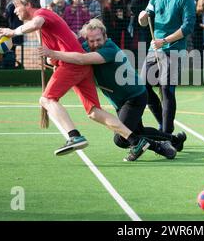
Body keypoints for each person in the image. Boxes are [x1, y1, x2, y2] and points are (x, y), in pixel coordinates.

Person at [0, 0, 152, 161]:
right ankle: (135, 140)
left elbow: (36, 23)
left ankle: (74, 136)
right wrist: (53, 59)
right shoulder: (45, 22)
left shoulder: (41, 14)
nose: (14, 11)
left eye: (17, 7)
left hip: (72, 65)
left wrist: (12, 32)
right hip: (78, 66)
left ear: (27, 4)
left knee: (46, 99)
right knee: (94, 112)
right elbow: (69, 37)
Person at [38, 18, 188, 159]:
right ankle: (175, 140)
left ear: (105, 36)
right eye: (92, 41)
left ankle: (160, 147)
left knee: (121, 139)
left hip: (134, 97)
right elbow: (73, 55)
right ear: (86, 40)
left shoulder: (109, 49)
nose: (96, 44)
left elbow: (81, 59)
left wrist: (52, 53)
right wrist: (54, 62)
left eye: (98, 40)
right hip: (120, 100)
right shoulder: (86, 47)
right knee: (138, 131)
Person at [138, 0, 196, 134]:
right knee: (143, 87)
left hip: (174, 51)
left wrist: (164, 40)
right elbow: (144, 21)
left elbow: (188, 27)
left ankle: (167, 133)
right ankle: (163, 124)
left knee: (166, 89)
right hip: (154, 51)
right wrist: (142, 17)